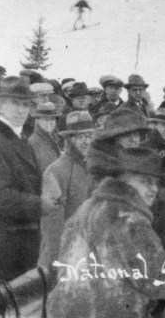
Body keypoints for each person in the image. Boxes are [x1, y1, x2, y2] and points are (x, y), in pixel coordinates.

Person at [48, 147, 165, 317]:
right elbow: (157, 278)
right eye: (145, 181)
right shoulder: (128, 218)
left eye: (155, 182)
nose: (154, 189)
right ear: (123, 181)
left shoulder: (86, 208)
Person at [0, 77, 45, 286]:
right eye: (15, 103)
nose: (21, 110)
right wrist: (40, 204)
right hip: (4, 244)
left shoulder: (20, 139)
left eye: (25, 104)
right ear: (0, 105)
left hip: (21, 242)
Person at [39, 110, 97, 268]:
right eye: (80, 136)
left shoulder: (93, 168)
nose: (86, 141)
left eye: (89, 136)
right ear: (69, 139)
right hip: (63, 261)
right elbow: (52, 232)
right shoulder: (55, 172)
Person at [29, 100, 62, 172]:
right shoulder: (33, 143)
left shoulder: (54, 138)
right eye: (46, 119)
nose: (50, 122)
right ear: (37, 120)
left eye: (53, 119)